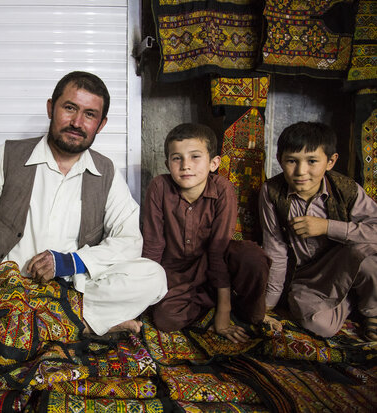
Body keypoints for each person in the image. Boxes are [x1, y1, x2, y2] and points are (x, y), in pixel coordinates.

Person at [0, 71, 167, 337]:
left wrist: (70, 262)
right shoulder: (9, 155)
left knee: (153, 276)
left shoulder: (105, 171)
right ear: (51, 108)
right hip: (4, 288)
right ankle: (79, 327)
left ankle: (44, 325)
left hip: (70, 291)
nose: (77, 122)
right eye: (70, 108)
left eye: (89, 114)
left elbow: (128, 239)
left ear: (101, 124)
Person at [142, 123, 272, 343]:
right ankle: (212, 301)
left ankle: (226, 304)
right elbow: (153, 246)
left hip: (215, 264)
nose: (185, 166)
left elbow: (217, 252)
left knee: (252, 256)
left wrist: (223, 315)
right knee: (165, 319)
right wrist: (141, 296)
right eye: (177, 158)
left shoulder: (222, 189)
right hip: (176, 273)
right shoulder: (159, 187)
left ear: (213, 163)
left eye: (195, 157)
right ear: (167, 164)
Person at [259, 121, 377, 340]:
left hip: (345, 263)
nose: (301, 171)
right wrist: (268, 304)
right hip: (307, 278)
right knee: (318, 325)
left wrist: (327, 227)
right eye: (292, 161)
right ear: (279, 160)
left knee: (366, 253)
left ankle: (372, 311)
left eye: (312, 161)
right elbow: (275, 248)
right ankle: (351, 300)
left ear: (330, 161)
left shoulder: (346, 189)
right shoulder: (272, 192)